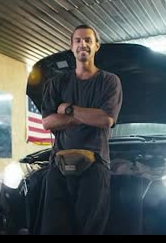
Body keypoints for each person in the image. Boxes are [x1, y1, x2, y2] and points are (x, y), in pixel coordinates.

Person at [39, 24, 123, 235]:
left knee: (90, 230)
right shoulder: (57, 83)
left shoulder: (109, 81)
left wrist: (68, 110)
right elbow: (48, 123)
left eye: (87, 40)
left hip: (95, 166)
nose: (82, 44)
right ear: (71, 46)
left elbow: (105, 120)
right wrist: (87, 116)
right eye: (77, 40)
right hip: (59, 166)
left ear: (96, 46)